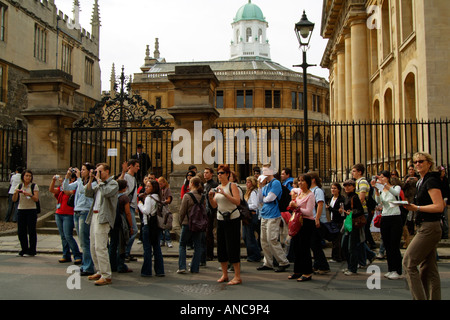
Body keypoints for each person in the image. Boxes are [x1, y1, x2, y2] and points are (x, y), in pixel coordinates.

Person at [403, 152, 445, 300]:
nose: (417, 164)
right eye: (415, 162)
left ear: (429, 163)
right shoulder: (421, 181)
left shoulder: (431, 181)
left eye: (421, 161)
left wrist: (417, 208)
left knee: (408, 263)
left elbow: (439, 206)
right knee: (429, 269)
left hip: (430, 227)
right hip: (425, 226)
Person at [85, 163, 119, 286]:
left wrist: (99, 181)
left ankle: (106, 275)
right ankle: (99, 270)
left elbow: (106, 193)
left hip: (103, 217)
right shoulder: (99, 184)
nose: (97, 173)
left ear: (107, 171)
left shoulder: (113, 183)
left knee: (101, 247)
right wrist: (90, 179)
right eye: (96, 171)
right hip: (94, 215)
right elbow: (88, 193)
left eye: (100, 171)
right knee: (93, 245)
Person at [208, 164, 243, 285]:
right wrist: (210, 198)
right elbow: (214, 206)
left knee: (232, 247)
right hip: (220, 218)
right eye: (218, 173)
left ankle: (237, 276)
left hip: (232, 219)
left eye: (221, 173)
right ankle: (225, 275)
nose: (219, 175)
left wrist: (224, 194)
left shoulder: (232, 186)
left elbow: (237, 202)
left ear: (227, 174)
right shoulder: (217, 187)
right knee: (221, 247)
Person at [63, 163, 96, 275]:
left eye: (83, 170)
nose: (81, 171)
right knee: (82, 241)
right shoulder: (79, 181)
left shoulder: (93, 182)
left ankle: (88, 266)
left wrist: (78, 178)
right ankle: (85, 264)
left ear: (89, 171)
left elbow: (84, 191)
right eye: (80, 170)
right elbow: (66, 188)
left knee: (85, 240)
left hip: (85, 211)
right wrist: (67, 177)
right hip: (77, 211)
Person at [256, 165, 290, 273]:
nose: (263, 172)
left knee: (272, 239)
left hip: (273, 215)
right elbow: (260, 199)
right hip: (264, 214)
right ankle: (268, 263)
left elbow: (270, 198)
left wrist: (264, 199)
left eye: (265, 170)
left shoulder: (275, 183)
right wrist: (260, 186)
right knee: (264, 241)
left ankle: (283, 262)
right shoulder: (265, 185)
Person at [371, 170, 403, 280]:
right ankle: (391, 269)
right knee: (387, 245)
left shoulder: (395, 187)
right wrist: (376, 189)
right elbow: (379, 201)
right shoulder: (382, 190)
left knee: (394, 245)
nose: (381, 179)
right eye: (380, 177)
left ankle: (397, 270)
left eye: (383, 177)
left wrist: (385, 185)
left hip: (395, 217)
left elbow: (396, 194)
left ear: (388, 178)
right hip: (385, 217)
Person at [287, 174, 315, 282]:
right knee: (296, 247)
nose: (300, 183)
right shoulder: (300, 192)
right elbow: (293, 189)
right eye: (299, 181)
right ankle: (297, 271)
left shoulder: (310, 195)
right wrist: (294, 193)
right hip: (297, 222)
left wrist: (297, 207)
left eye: (302, 181)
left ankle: (307, 272)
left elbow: (309, 211)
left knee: (304, 248)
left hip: (306, 223)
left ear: (308, 183)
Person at [50, 172, 82, 264]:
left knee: (68, 236)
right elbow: (51, 190)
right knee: (63, 236)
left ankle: (77, 255)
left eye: (67, 179)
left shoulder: (75, 187)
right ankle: (66, 254)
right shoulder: (61, 188)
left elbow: (67, 192)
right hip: (59, 213)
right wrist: (53, 181)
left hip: (68, 214)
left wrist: (62, 183)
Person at [177, 176, 205, 274]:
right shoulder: (202, 196)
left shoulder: (187, 196)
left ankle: (182, 266)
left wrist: (180, 222)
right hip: (198, 225)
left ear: (192, 184)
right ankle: (195, 268)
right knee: (197, 246)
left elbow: (182, 211)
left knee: (182, 244)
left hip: (187, 223)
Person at [138, 180, 165, 277]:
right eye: (146, 186)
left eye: (148, 186)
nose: (146, 187)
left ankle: (146, 271)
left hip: (148, 225)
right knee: (157, 247)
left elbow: (146, 211)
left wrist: (140, 204)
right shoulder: (158, 197)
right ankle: (160, 270)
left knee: (147, 249)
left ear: (153, 188)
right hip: (156, 225)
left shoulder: (149, 198)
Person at [351, 163, 376, 266]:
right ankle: (368, 256)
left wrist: (355, 210)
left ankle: (367, 257)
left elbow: (361, 198)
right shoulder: (357, 182)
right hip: (359, 211)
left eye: (353, 171)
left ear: (359, 172)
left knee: (359, 238)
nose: (352, 173)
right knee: (359, 237)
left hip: (362, 212)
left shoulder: (362, 182)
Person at [340, 179, 365, 275]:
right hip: (347, 223)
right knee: (344, 245)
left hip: (354, 224)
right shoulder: (346, 197)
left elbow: (360, 211)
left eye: (349, 185)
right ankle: (349, 266)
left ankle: (353, 268)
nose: (347, 187)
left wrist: (351, 212)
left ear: (353, 187)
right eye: (345, 186)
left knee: (352, 247)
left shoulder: (354, 197)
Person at [307, 172, 330, 274]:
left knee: (315, 244)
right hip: (311, 220)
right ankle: (317, 265)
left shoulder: (318, 190)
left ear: (313, 180)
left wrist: (317, 218)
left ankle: (324, 266)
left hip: (317, 221)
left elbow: (320, 204)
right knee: (313, 244)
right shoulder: (310, 190)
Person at [12, 169, 39, 257]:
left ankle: (32, 250)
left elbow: (36, 199)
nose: (28, 177)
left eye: (29, 176)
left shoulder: (34, 186)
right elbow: (14, 200)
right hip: (21, 209)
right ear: (23, 177)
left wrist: (29, 195)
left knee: (31, 230)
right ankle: (24, 248)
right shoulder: (19, 186)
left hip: (31, 210)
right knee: (21, 231)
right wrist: (16, 192)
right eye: (26, 176)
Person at [109, 179, 133, 273]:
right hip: (120, 222)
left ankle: (112, 265)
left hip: (112, 221)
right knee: (121, 245)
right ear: (124, 188)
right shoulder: (124, 197)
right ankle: (121, 266)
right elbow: (127, 213)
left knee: (112, 244)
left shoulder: (112, 196)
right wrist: (130, 226)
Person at [119, 159, 140, 263]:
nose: (138, 168)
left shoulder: (134, 178)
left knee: (130, 231)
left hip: (132, 206)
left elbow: (134, 193)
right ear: (130, 166)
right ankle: (125, 252)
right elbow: (119, 183)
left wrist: (135, 206)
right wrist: (123, 172)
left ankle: (126, 252)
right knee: (134, 230)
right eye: (136, 166)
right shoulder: (126, 176)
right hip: (126, 206)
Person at [243, 176, 262, 263]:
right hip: (247, 215)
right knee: (245, 236)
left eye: (248, 182)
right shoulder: (248, 192)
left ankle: (255, 255)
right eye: (246, 182)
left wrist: (245, 207)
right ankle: (251, 254)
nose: (247, 184)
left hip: (251, 215)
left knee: (249, 236)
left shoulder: (253, 192)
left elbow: (255, 205)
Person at [326, 182, 345, 262]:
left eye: (335, 188)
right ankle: (335, 256)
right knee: (334, 240)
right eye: (332, 188)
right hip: (332, 220)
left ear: (339, 190)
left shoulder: (341, 199)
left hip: (338, 221)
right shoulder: (331, 198)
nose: (333, 190)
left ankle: (337, 257)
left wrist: (330, 208)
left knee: (337, 240)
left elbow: (340, 211)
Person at [203, 167, 218, 261]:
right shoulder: (205, 184)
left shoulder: (214, 184)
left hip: (211, 212)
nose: (205, 174)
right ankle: (207, 253)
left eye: (207, 172)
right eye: (204, 172)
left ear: (212, 174)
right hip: (205, 212)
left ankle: (210, 254)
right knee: (206, 233)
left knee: (209, 233)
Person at [158, 177, 173, 248]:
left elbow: (169, 200)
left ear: (164, 183)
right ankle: (161, 240)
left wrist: (163, 201)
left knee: (166, 225)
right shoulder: (158, 190)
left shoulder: (167, 190)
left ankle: (168, 240)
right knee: (160, 225)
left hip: (165, 208)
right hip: (159, 209)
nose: (160, 185)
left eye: (161, 184)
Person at [438, 166, 449, 239]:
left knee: (445, 217)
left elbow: (447, 191)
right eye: (442, 171)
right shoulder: (436, 180)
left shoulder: (445, 180)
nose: (444, 173)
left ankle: (445, 233)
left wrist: (445, 200)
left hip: (444, 199)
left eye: (444, 171)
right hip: (437, 200)